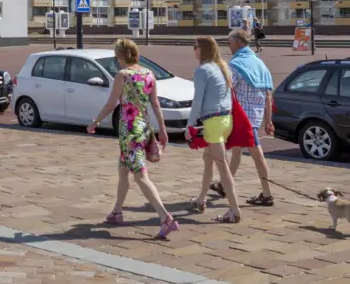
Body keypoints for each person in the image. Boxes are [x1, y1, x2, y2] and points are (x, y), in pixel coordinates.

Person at [87, 38, 179, 239]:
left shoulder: (123, 75)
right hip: (144, 128)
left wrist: (95, 122)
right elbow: (155, 104)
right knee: (123, 170)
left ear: (120, 56)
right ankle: (117, 211)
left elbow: (111, 104)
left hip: (129, 131)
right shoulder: (148, 74)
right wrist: (162, 130)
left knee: (140, 176)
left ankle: (165, 218)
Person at [211, 29, 275, 206]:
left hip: (242, 116)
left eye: (229, 41)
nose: (228, 45)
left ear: (237, 42)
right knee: (237, 150)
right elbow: (268, 94)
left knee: (257, 154)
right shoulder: (259, 63)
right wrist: (268, 120)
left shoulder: (237, 64)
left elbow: (225, 89)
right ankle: (224, 185)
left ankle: (267, 194)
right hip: (255, 115)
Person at [187, 36, 242, 224]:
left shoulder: (202, 70)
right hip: (226, 119)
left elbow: (198, 100)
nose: (193, 50)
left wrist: (190, 124)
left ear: (202, 49)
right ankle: (201, 199)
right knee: (208, 159)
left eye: (195, 46)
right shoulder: (222, 66)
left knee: (222, 166)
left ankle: (234, 210)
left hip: (213, 122)